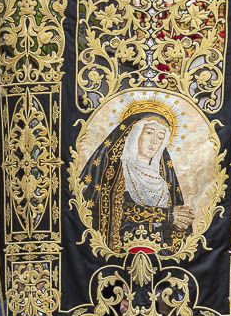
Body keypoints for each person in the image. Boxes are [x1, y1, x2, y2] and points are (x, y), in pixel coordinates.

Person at [81, 103, 196, 254]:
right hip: (122, 252)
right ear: (135, 134)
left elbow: (174, 222)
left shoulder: (164, 178)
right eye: (149, 133)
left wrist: (181, 220)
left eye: (161, 137)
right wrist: (166, 215)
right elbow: (108, 210)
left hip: (159, 255)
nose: (155, 142)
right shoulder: (115, 171)